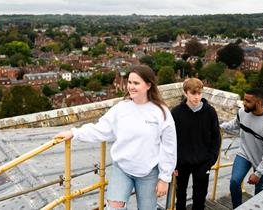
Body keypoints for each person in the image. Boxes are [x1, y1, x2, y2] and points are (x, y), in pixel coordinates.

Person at [54, 65, 177, 210]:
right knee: (114, 206)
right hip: (123, 168)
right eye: (130, 82)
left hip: (148, 172)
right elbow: (100, 129)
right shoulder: (121, 108)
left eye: (136, 83)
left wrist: (164, 178)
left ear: (148, 85)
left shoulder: (161, 112)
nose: (131, 87)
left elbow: (169, 146)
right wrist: (74, 133)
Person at [220, 88, 263, 209]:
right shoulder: (243, 112)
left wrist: (258, 173)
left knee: (260, 189)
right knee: (234, 182)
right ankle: (237, 207)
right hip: (244, 154)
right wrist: (219, 126)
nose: (244, 103)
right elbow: (234, 125)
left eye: (247, 101)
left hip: (262, 161)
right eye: (244, 99)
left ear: (258, 103)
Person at [171, 78, 221, 210]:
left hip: (203, 162)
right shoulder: (176, 113)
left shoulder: (210, 112)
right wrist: (173, 163)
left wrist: (210, 161)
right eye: (193, 93)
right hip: (181, 163)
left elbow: (216, 138)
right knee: (180, 195)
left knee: (200, 196)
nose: (196, 97)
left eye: (199, 93)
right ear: (185, 93)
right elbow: (170, 140)